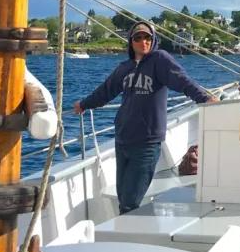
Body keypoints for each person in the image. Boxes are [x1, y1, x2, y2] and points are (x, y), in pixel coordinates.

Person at [73, 21, 217, 213]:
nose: (143, 42)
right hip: (123, 140)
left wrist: (204, 98)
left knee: (130, 202)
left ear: (153, 39)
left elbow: (182, 80)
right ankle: (127, 234)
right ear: (131, 42)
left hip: (147, 143)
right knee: (123, 197)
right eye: (138, 38)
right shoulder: (124, 68)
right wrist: (84, 104)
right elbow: (105, 92)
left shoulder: (160, 60)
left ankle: (129, 238)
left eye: (147, 38)